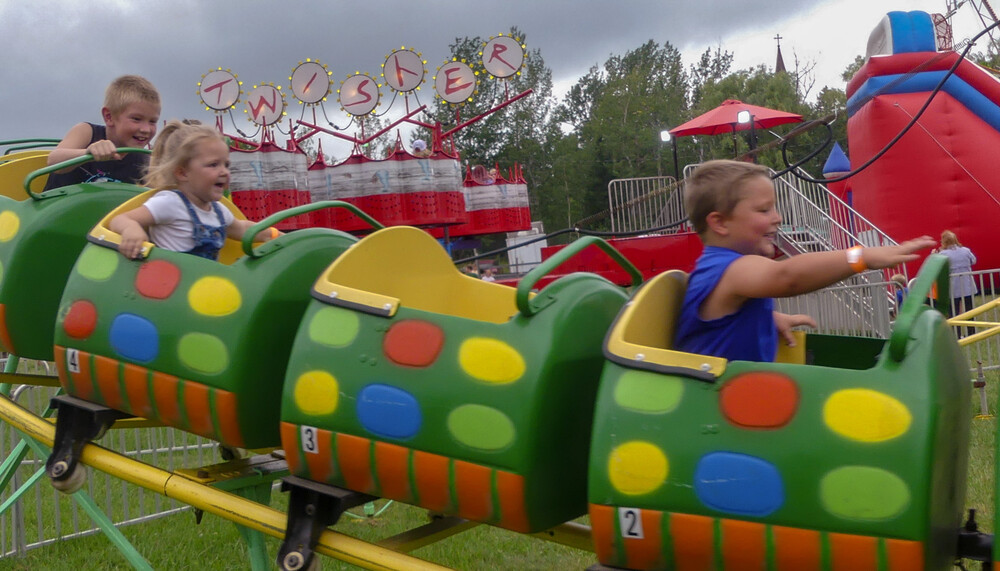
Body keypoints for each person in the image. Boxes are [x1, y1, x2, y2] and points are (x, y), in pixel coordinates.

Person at [674, 160, 935, 362]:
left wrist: (765, 319)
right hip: (716, 414)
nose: (776, 218)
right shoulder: (728, 269)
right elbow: (786, 277)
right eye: (763, 210)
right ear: (719, 223)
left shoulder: (719, 271)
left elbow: (719, 314)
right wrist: (862, 257)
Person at [110, 121, 279, 261]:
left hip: (203, 289)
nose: (224, 172)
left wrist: (275, 235)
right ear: (183, 172)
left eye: (226, 165)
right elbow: (120, 219)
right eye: (213, 165)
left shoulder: (218, 210)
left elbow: (242, 229)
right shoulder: (169, 202)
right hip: (171, 289)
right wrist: (131, 229)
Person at [45, 75, 161, 190]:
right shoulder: (87, 132)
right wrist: (88, 154)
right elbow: (53, 161)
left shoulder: (145, 162)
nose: (146, 129)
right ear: (109, 116)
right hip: (58, 206)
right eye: (136, 119)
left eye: (152, 121)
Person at [934, 230, 978, 336]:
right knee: (969, 310)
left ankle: (956, 334)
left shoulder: (943, 254)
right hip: (967, 284)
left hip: (953, 286)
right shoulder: (966, 250)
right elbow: (974, 261)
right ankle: (971, 332)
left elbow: (938, 267)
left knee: (954, 311)